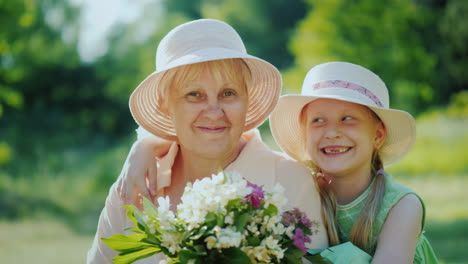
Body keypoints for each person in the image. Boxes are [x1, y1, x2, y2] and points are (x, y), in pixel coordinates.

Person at [87, 19, 328, 264]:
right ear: (165, 105)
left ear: (247, 99)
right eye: (194, 95)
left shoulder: (290, 181)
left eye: (228, 93)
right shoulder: (135, 184)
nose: (214, 112)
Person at [270, 62, 438, 263]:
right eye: (318, 121)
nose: (331, 133)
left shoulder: (401, 206)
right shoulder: (300, 192)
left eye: (347, 118)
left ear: (377, 135)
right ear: (305, 134)